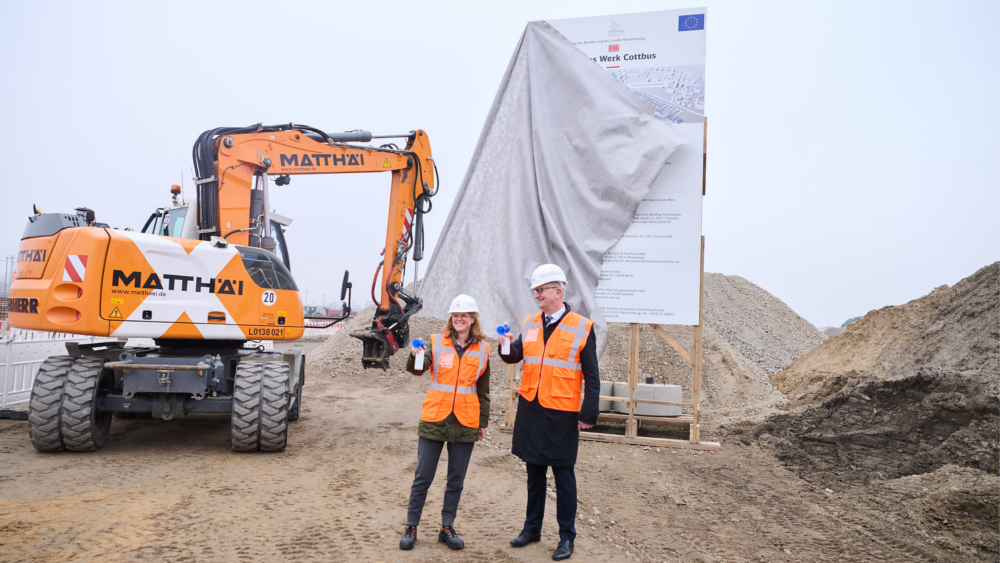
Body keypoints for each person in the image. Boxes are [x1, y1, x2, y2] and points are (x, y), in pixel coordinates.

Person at [498, 264, 600, 561]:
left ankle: (566, 538)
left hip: (562, 413)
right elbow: (516, 354)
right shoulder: (530, 322)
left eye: (540, 290)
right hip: (532, 408)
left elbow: (592, 376)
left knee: (564, 477)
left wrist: (588, 413)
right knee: (534, 473)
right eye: (535, 291)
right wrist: (505, 346)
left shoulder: (582, 327)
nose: (536, 295)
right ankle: (532, 529)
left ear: (559, 290)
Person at [399, 294, 491, 551]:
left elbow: (483, 390)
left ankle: (446, 527)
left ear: (473, 319)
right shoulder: (437, 343)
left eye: (464, 315)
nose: (459, 319)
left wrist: (482, 422)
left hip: (465, 422)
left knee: (456, 479)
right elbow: (417, 370)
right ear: (451, 318)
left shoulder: (483, 349)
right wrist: (416, 355)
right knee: (423, 476)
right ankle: (411, 526)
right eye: (456, 315)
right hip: (435, 419)